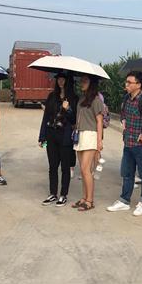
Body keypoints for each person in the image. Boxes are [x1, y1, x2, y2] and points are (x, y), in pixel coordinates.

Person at [107, 71, 142, 216]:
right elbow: (123, 113)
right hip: (128, 143)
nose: (126, 84)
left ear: (139, 85)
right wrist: (123, 122)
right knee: (127, 173)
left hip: (141, 146)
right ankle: (124, 201)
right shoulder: (126, 98)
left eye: (130, 82)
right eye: (126, 82)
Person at [39, 72, 77, 207]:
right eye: (59, 79)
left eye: (63, 79)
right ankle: (53, 193)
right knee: (53, 166)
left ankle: (63, 195)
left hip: (66, 136)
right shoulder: (51, 96)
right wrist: (42, 136)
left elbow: (74, 120)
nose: (60, 81)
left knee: (65, 167)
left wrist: (68, 109)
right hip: (51, 134)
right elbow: (46, 117)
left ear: (68, 81)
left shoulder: (74, 98)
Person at [72, 75, 105, 211]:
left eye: (85, 81)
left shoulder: (96, 100)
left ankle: (90, 200)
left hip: (91, 135)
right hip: (79, 135)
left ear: (92, 83)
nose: (82, 83)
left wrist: (99, 142)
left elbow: (99, 121)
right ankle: (84, 198)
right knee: (83, 170)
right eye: (82, 81)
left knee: (86, 169)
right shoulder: (81, 98)